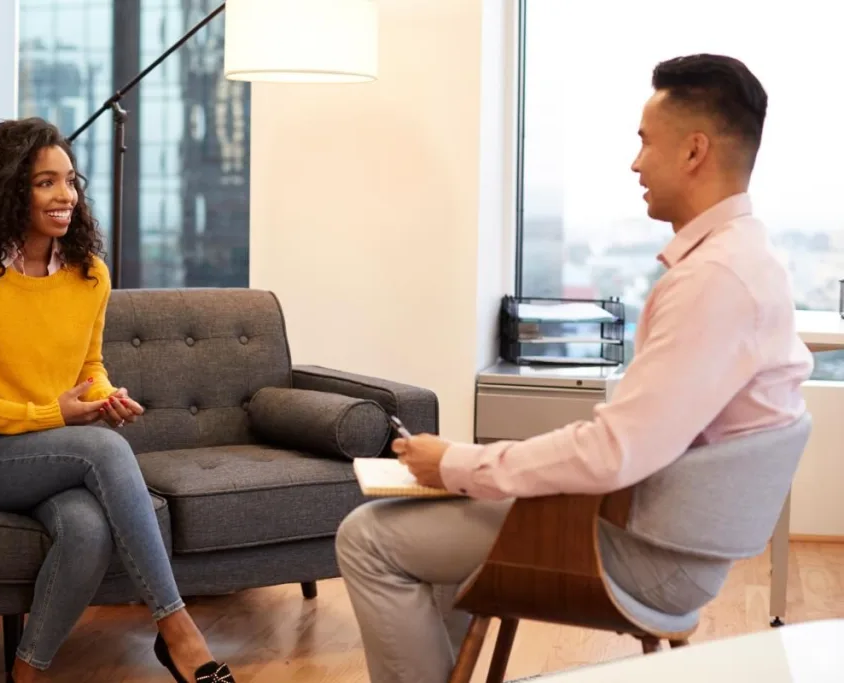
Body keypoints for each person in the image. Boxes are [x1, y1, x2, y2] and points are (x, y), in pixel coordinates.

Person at [335, 53, 814, 683]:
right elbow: (630, 443)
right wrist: (472, 468)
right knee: (428, 525)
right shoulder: (748, 260)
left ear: (694, 151)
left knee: (367, 536)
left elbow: (615, 452)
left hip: (644, 553)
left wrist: (458, 464)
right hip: (662, 531)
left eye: (646, 143)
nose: (635, 163)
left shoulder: (714, 281)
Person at [0, 118, 236, 683]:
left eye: (70, 180)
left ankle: (26, 672)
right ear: (7, 189)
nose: (65, 195)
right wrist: (54, 415)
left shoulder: (89, 275)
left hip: (50, 449)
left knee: (87, 530)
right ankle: (178, 630)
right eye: (45, 182)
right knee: (104, 450)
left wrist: (104, 394)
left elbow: (87, 366)